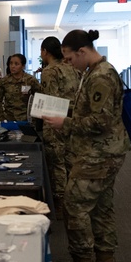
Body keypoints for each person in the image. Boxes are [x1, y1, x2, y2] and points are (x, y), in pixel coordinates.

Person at [43, 30, 130, 262]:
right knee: (101, 209)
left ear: (82, 51)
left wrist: (65, 123)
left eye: (70, 58)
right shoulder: (94, 72)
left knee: (74, 207)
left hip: (98, 154)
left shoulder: (101, 75)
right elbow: (90, 111)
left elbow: (100, 121)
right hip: (102, 152)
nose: (68, 64)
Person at [39, 36, 80, 214]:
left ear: (45, 52)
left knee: (57, 164)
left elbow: (51, 100)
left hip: (55, 120)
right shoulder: (72, 68)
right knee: (71, 160)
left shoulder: (49, 71)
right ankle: (76, 200)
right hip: (73, 120)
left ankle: (61, 205)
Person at [0, 53, 40, 121]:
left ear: (23, 66)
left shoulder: (30, 80)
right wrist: (2, 117)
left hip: (27, 120)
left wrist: (35, 117)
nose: (12, 66)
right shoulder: (4, 82)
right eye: (11, 63)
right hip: (9, 120)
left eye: (16, 64)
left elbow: (39, 97)